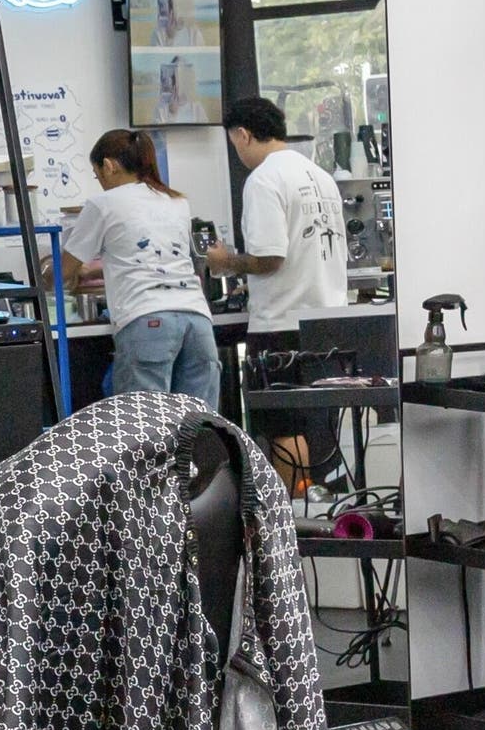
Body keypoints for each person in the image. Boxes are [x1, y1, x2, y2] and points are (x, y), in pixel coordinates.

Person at [209, 94, 356, 485]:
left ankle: (290, 525)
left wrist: (225, 262)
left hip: (281, 325)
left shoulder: (263, 180)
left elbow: (270, 257)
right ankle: (317, 514)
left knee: (284, 429)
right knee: (318, 425)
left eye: (232, 142)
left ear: (242, 135)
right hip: (328, 321)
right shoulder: (319, 176)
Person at [56, 129, 216, 407]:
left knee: (143, 431)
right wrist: (93, 272)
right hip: (198, 322)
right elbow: (152, 260)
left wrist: (48, 277)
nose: (101, 183)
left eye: (98, 176)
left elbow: (63, 271)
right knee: (198, 427)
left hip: (147, 321)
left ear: (109, 165)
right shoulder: (176, 201)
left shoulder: (103, 203)